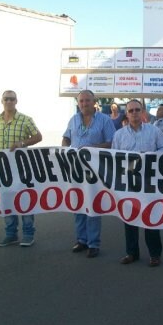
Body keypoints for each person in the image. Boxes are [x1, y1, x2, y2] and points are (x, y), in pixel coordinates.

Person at [112, 99, 163, 267]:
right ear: (127, 114)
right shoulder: (119, 135)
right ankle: (132, 253)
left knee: (150, 217)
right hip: (128, 182)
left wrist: (149, 157)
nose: (134, 113)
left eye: (137, 110)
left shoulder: (154, 131)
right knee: (129, 218)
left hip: (149, 180)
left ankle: (155, 254)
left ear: (143, 111)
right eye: (131, 111)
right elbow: (114, 157)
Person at [62, 90, 116, 257]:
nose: (84, 103)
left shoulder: (105, 120)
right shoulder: (73, 119)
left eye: (87, 100)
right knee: (78, 201)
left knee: (92, 203)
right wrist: (64, 151)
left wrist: (91, 150)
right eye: (81, 101)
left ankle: (93, 243)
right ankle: (81, 240)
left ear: (94, 102)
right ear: (78, 103)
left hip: (95, 167)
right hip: (76, 167)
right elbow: (66, 138)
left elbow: (112, 142)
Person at [0, 90, 42, 247]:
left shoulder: (25, 120)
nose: (9, 102)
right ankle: (10, 234)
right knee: (7, 201)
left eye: (12, 99)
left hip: (21, 168)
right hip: (3, 169)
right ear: (2, 101)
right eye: (6, 99)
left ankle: (28, 234)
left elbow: (38, 137)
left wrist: (22, 143)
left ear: (16, 101)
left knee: (24, 199)